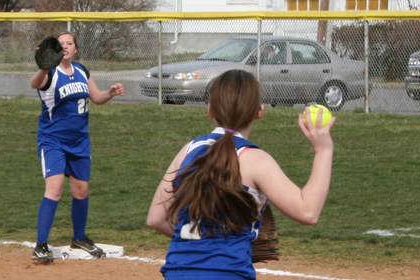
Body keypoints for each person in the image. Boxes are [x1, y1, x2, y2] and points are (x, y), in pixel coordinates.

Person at [147, 69, 335, 279]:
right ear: (259, 111)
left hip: (177, 272)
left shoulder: (188, 150)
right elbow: (308, 212)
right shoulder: (256, 160)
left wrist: (202, 239)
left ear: (210, 110)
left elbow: (156, 219)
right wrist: (323, 150)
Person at [30, 31, 124, 263]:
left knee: (81, 191)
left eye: (69, 43)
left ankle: (79, 237)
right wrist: (43, 66)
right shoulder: (50, 74)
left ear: (75, 49)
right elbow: (35, 84)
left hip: (80, 141)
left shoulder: (82, 70)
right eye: (61, 44)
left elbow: (96, 96)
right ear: (56, 50)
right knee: (55, 189)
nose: (65, 47)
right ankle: (41, 244)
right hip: (53, 141)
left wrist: (110, 93)